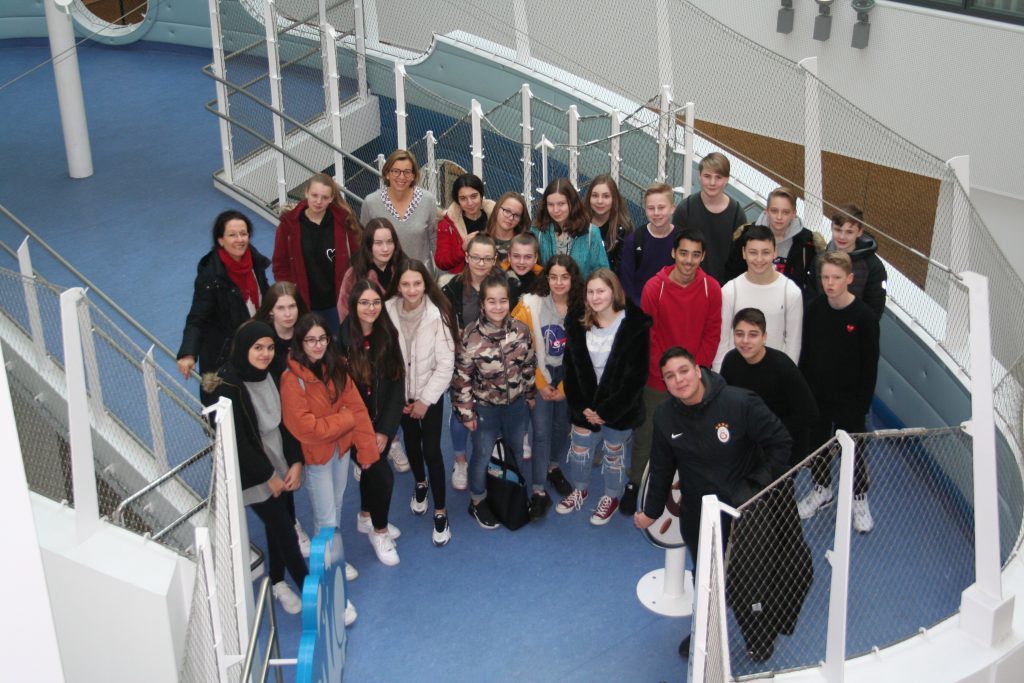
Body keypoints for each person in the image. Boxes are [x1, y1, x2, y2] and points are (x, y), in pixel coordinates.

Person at [634, 346, 792, 660]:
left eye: (683, 371)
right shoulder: (666, 416)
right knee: (705, 578)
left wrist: (752, 487)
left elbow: (781, 444)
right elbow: (662, 467)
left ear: (697, 369)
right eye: (670, 377)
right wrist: (651, 512)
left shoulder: (740, 402)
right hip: (699, 514)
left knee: (749, 578)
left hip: (745, 512)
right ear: (664, 384)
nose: (679, 380)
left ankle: (758, 635)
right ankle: (704, 632)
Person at [202, 320, 309, 615]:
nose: (265, 354)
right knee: (286, 531)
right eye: (258, 347)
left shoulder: (273, 373)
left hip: (278, 460)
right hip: (252, 471)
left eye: (270, 347)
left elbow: (287, 421)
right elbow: (237, 442)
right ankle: (316, 597)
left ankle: (277, 582)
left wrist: (296, 460)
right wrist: (268, 476)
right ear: (243, 347)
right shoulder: (226, 387)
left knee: (280, 525)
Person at [280, 313, 379, 625]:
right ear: (300, 343)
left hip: (339, 453)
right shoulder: (290, 380)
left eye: (322, 339)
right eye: (310, 340)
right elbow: (307, 429)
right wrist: (345, 420)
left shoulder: (335, 366)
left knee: (334, 510)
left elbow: (357, 408)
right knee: (325, 524)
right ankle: (335, 599)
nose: (318, 345)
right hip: (318, 461)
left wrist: (366, 450)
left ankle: (335, 559)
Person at [620, 229, 723, 516]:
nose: (689, 261)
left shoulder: (711, 288)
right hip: (657, 379)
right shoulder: (655, 287)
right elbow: (647, 335)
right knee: (647, 434)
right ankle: (635, 484)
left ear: (703, 257)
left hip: (696, 380)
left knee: (696, 438)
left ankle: (693, 490)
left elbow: (712, 331)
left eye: (695, 255)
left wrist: (693, 374)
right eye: (684, 253)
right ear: (673, 253)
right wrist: (668, 374)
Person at [798, 251, 880, 533]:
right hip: (818, 397)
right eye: (825, 277)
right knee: (819, 446)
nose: (829, 283)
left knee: (854, 452)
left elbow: (869, 367)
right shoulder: (815, 309)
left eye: (835, 278)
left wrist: (861, 405)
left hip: (850, 403)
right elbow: (806, 353)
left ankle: (859, 498)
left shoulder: (864, 317)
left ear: (849, 279)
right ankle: (823, 490)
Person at [560, 269, 650, 524]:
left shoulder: (634, 325)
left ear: (614, 291)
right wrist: (583, 406)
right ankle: (580, 489)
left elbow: (635, 377)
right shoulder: (577, 322)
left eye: (601, 291)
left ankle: (611, 496)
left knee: (614, 454)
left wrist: (607, 411)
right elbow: (571, 368)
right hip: (585, 405)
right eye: (591, 291)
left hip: (619, 408)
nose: (596, 297)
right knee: (579, 450)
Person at [452, 271, 536, 529]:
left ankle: (511, 490)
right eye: (491, 301)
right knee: (483, 453)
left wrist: (530, 394)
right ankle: (477, 500)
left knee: (514, 450)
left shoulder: (521, 331)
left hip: (516, 406)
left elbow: (528, 365)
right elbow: (462, 379)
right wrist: (467, 414)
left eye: (503, 301)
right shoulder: (470, 336)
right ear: (482, 304)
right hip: (485, 409)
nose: (498, 307)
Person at [386, 259, 458, 542]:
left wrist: (425, 401)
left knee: (431, 451)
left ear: (425, 284)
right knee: (411, 445)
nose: (411, 289)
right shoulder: (387, 310)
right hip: (400, 396)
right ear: (398, 286)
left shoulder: (438, 314)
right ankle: (420, 482)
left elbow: (445, 364)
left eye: (417, 283)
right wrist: (398, 395)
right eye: (405, 284)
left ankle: (440, 511)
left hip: (430, 396)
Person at [338, 280, 406, 560]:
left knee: (372, 473)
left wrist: (386, 430)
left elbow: (396, 384)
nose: (371, 308)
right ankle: (379, 532)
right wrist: (367, 433)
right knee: (384, 478)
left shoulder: (387, 335)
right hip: (355, 428)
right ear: (353, 306)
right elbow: (342, 398)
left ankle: (366, 515)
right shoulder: (341, 343)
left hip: (382, 426)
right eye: (364, 303)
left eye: (376, 302)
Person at [512, 255, 584, 507]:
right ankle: (538, 488)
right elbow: (518, 346)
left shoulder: (584, 309)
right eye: (553, 277)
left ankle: (553, 466)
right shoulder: (530, 305)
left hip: (569, 374)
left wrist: (565, 387)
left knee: (561, 426)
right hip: (539, 373)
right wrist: (539, 383)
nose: (558, 282)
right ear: (546, 278)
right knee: (541, 432)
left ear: (573, 279)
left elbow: (586, 354)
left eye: (564, 277)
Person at [177, 210, 270, 391]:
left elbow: (264, 297)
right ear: (220, 240)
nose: (240, 240)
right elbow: (197, 318)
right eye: (232, 235)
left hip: (255, 342)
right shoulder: (211, 277)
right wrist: (188, 353)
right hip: (226, 354)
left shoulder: (255, 262)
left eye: (243, 234)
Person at [442, 234, 507, 490]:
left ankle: (494, 453)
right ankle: (460, 460)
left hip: (495, 364)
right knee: (461, 413)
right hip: (463, 364)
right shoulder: (450, 289)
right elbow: (445, 328)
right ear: (466, 257)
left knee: (495, 411)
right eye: (476, 257)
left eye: (487, 258)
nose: (481, 263)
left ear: (495, 259)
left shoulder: (505, 285)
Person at [721, 308, 818, 468]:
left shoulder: (783, 366)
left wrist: (768, 429)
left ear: (764, 337)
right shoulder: (731, 361)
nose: (745, 341)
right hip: (749, 444)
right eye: (739, 334)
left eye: (753, 334)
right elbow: (724, 402)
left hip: (784, 444)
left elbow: (810, 414)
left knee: (778, 491)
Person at [272, 173, 360, 332]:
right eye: (314, 195)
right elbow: (280, 264)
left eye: (324, 197)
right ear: (305, 193)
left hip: (338, 303)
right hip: (305, 304)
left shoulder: (344, 222)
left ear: (332, 198)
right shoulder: (288, 226)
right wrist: (291, 293)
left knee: (340, 350)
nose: (319, 202)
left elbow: (357, 259)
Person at [713, 225, 803, 371]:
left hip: (774, 377)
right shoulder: (730, 291)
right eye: (753, 252)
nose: (759, 259)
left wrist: (786, 380)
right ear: (743, 253)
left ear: (775, 252)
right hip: (736, 376)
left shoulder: (791, 292)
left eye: (765, 252)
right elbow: (721, 340)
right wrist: (721, 376)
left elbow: (793, 343)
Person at [725, 187, 824, 298]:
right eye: (774, 211)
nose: (779, 217)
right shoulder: (746, 236)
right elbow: (731, 274)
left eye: (785, 212)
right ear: (766, 211)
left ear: (794, 214)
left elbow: (812, 286)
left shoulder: (808, 244)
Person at [670, 152, 747, 284]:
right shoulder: (685, 209)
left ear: (727, 179)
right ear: (699, 176)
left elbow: (740, 259)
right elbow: (677, 252)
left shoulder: (736, 213)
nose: (712, 182)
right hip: (690, 285)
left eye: (718, 177)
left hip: (724, 288)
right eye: (707, 176)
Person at [361, 150, 437, 265]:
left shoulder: (428, 200)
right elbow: (364, 242)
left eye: (407, 172)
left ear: (413, 176)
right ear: (387, 174)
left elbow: (435, 240)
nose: (401, 177)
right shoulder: (371, 203)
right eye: (396, 171)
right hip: (384, 277)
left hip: (418, 277)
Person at [814, 204, 888, 319]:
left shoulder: (873, 266)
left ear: (859, 232)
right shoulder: (819, 259)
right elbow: (811, 295)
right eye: (838, 230)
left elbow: (875, 308)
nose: (842, 237)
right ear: (831, 228)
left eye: (849, 232)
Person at [531, 179, 609, 277]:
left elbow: (602, 272)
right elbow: (529, 265)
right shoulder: (538, 232)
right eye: (550, 204)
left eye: (561, 204)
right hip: (547, 291)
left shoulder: (590, 233)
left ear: (572, 203)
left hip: (581, 291)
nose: (555, 210)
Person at [619, 183, 679, 306]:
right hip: (642, 312)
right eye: (651, 208)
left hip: (673, 309)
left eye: (661, 207)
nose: (656, 213)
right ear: (645, 210)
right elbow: (627, 285)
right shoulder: (634, 241)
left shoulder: (681, 240)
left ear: (672, 208)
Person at [336, 217, 408, 320]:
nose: (385, 248)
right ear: (369, 245)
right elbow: (345, 311)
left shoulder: (406, 269)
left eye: (389, 242)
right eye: (378, 243)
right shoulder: (353, 275)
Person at [435, 174, 495, 278]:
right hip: (462, 282)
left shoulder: (496, 217)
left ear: (481, 195)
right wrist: (462, 249)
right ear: (457, 201)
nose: (470, 203)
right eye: (463, 198)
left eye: (474, 196)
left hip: (493, 280)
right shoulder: (447, 224)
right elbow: (441, 262)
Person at [253, 281, 311, 386]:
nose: (288, 314)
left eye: (292, 306)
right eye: (280, 308)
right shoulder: (260, 339)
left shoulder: (308, 333)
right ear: (271, 310)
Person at [584, 174, 633, 273]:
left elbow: (621, 269)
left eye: (606, 196)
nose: (600, 201)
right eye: (595, 195)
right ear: (589, 197)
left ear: (614, 199)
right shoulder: (580, 224)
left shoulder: (623, 230)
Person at [485, 191, 532, 263]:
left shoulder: (526, 244)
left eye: (516, 215)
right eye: (507, 211)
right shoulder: (481, 240)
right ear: (497, 209)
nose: (511, 218)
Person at [503, 232, 542, 306]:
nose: (521, 262)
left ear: (535, 258)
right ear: (509, 256)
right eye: (516, 256)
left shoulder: (542, 283)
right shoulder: (499, 279)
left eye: (527, 257)